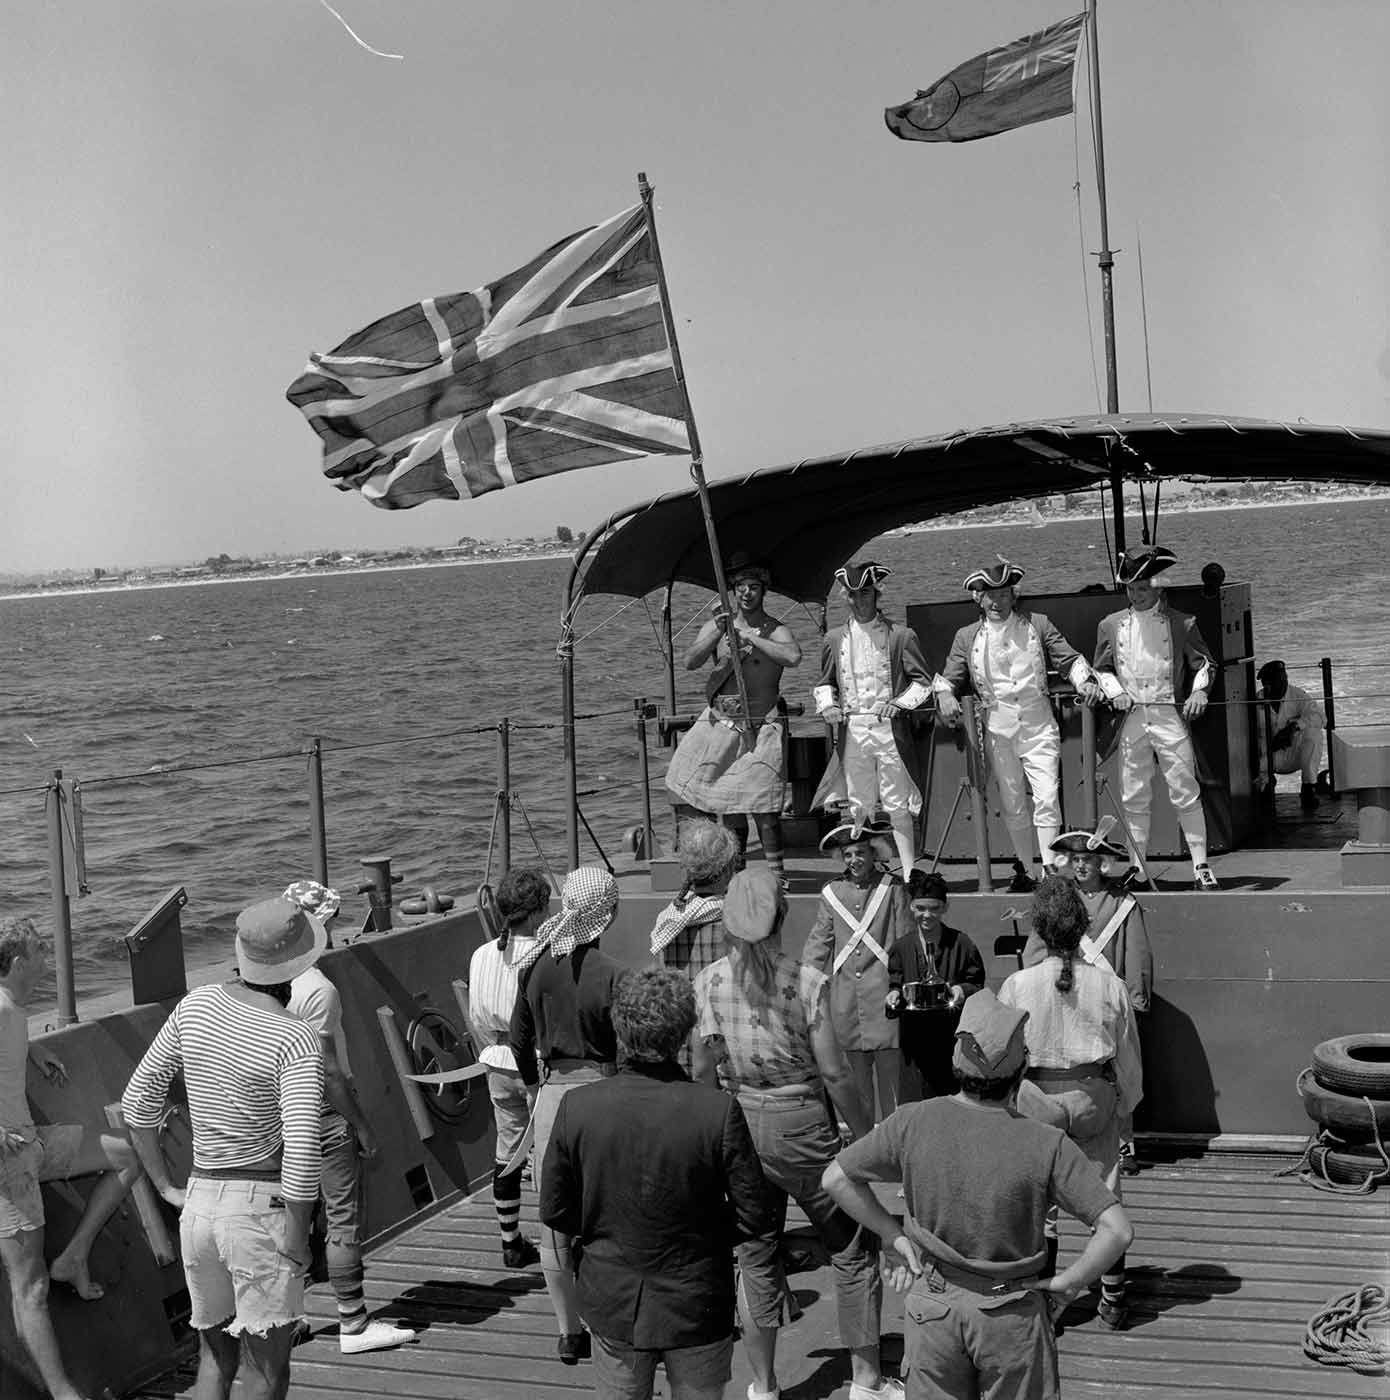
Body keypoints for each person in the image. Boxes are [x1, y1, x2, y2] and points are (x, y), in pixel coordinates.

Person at [823, 988, 1133, 1400]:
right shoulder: (1046, 1143)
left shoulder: (913, 1121)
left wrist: (892, 1235)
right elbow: (1116, 1230)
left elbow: (836, 1179)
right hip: (1013, 1321)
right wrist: (1070, 1282)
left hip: (932, 1312)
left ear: (956, 1062)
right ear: (1021, 1073)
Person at [692, 868, 902, 1400]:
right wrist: (862, 1135)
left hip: (739, 1121)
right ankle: (868, 1381)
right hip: (804, 1122)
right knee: (852, 1247)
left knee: (755, 1253)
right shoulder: (806, 982)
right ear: (782, 921)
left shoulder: (709, 982)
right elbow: (834, 1073)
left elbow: (700, 1071)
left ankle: (763, 1386)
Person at [122, 896, 328, 1400]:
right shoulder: (296, 1038)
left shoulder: (196, 1005)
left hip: (200, 1206)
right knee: (266, 1372)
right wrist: (298, 1239)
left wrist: (167, 1186)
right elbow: (302, 1154)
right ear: (301, 963)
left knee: (215, 1359)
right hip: (259, 1213)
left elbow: (137, 1102)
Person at [540, 968, 774, 1400]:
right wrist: (703, 1238)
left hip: (612, 1298)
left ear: (620, 1029)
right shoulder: (717, 1110)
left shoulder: (578, 1107)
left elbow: (557, 1211)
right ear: (685, 1032)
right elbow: (754, 1213)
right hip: (697, 1300)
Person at [1, 917, 142, 1400]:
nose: (48, 957)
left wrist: (34, 1054)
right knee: (29, 1291)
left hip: (30, 1144)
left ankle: (74, 1256)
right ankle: (65, 1395)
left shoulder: (12, 1011)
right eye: (41, 950)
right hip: (6, 1164)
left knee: (125, 1156)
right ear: (19, 961)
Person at [999, 876, 1142, 1328]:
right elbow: (1128, 1059)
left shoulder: (1017, 985)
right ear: (1083, 929)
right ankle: (1114, 1298)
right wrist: (1125, 1109)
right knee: (1104, 1197)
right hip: (1093, 1098)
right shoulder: (1111, 985)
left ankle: (1041, 1305)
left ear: (1039, 930)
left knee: (1041, 1204)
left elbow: (1004, 1058)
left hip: (1036, 1099)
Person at [281, 880, 417, 1354]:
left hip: (282, 1116)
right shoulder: (317, 989)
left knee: (295, 1218)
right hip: (322, 1113)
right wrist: (361, 1125)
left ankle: (291, 1316)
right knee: (341, 1220)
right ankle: (353, 1325)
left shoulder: (260, 986)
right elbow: (329, 1071)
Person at [509, 867, 624, 1365]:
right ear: (608, 912)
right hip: (603, 1088)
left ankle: (567, 1331)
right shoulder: (612, 973)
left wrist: (539, 1090)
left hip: (553, 1093)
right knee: (611, 1211)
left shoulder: (533, 967)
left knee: (555, 1221)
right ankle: (613, 1319)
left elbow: (518, 1042)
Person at [935, 556, 1096, 893]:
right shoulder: (967, 637)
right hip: (997, 730)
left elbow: (1068, 658)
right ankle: (1025, 866)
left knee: (1047, 796)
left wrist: (1085, 683)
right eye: (989, 595)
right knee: (1012, 802)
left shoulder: (1038, 624)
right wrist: (947, 696)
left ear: (1014, 596)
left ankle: (1050, 869)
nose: (996, 602)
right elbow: (948, 678)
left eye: (1003, 594)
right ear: (978, 598)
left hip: (1038, 726)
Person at [1086, 544, 1220, 890]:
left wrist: (1199, 691)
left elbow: (1203, 663)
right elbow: (1101, 669)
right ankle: (1138, 866)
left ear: (1158, 587)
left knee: (1185, 790)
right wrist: (1114, 690)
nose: (1136, 595)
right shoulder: (1110, 625)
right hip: (1131, 718)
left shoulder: (1182, 622)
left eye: (1142, 588)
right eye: (1131, 588)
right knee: (1133, 795)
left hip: (1168, 715)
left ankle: (1201, 865)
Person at [1022, 827, 1154, 1175]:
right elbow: (1036, 952)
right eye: (1076, 859)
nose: (1080, 866)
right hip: (1062, 997)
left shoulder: (1122, 903)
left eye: (1088, 860)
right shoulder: (1057, 899)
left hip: (1104, 1000)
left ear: (1103, 864)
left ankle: (1125, 1144)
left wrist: (1135, 1000)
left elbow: (1136, 954)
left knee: (1119, 1071)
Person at [665, 554, 802, 884]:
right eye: (741, 587)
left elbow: (793, 657)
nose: (747, 594)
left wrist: (750, 639)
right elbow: (690, 661)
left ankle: (776, 876)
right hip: (720, 723)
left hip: (761, 727)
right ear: (733, 591)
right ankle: (734, 871)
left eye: (754, 588)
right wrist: (721, 634)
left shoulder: (776, 629)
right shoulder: (716, 625)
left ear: (763, 592)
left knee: (764, 808)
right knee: (717, 798)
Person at [813, 560, 934, 877]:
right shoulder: (834, 639)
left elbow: (923, 682)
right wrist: (828, 706)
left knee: (897, 804)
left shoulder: (901, 636)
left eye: (865, 592)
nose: (859, 600)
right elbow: (825, 683)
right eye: (852, 594)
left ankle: (908, 871)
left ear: (876, 593)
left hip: (890, 731)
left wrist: (900, 703)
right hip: (854, 730)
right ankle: (862, 870)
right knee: (859, 803)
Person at [462, 865, 549, 1269]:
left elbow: (477, 1018)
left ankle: (510, 1241)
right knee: (551, 1152)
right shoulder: (546, 952)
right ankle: (557, 1241)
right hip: (538, 1066)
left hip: (497, 1062)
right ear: (534, 912)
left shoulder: (481, 954)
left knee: (508, 1153)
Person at [802, 822, 912, 1122]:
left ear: (874, 853)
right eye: (848, 854)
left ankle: (894, 1141)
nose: (854, 860)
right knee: (856, 1085)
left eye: (860, 853)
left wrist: (904, 986)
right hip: (846, 1000)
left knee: (893, 1088)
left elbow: (905, 939)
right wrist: (805, 985)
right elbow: (819, 941)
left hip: (886, 998)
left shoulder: (893, 888)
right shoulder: (832, 892)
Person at [885, 870, 985, 1100]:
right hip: (914, 1045)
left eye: (934, 908)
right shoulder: (902, 947)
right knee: (915, 1108)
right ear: (911, 907)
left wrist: (962, 990)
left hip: (951, 1043)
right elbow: (895, 984)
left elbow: (977, 985)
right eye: (920, 908)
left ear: (945, 908)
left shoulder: (962, 944)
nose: (927, 915)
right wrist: (892, 996)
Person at [649, 820, 740, 1069]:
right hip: (725, 1048)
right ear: (727, 868)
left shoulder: (667, 922)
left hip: (680, 1044)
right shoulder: (735, 923)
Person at [1256, 659, 1326, 810]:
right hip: (1269, 757)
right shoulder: (1256, 702)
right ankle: (1266, 785)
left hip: (1296, 755)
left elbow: (1320, 717)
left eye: (1285, 679)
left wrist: (1293, 727)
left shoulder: (1297, 694)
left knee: (1313, 734)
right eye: (1278, 681)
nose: (1284, 684)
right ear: (1266, 684)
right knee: (1258, 771)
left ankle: (1308, 787)